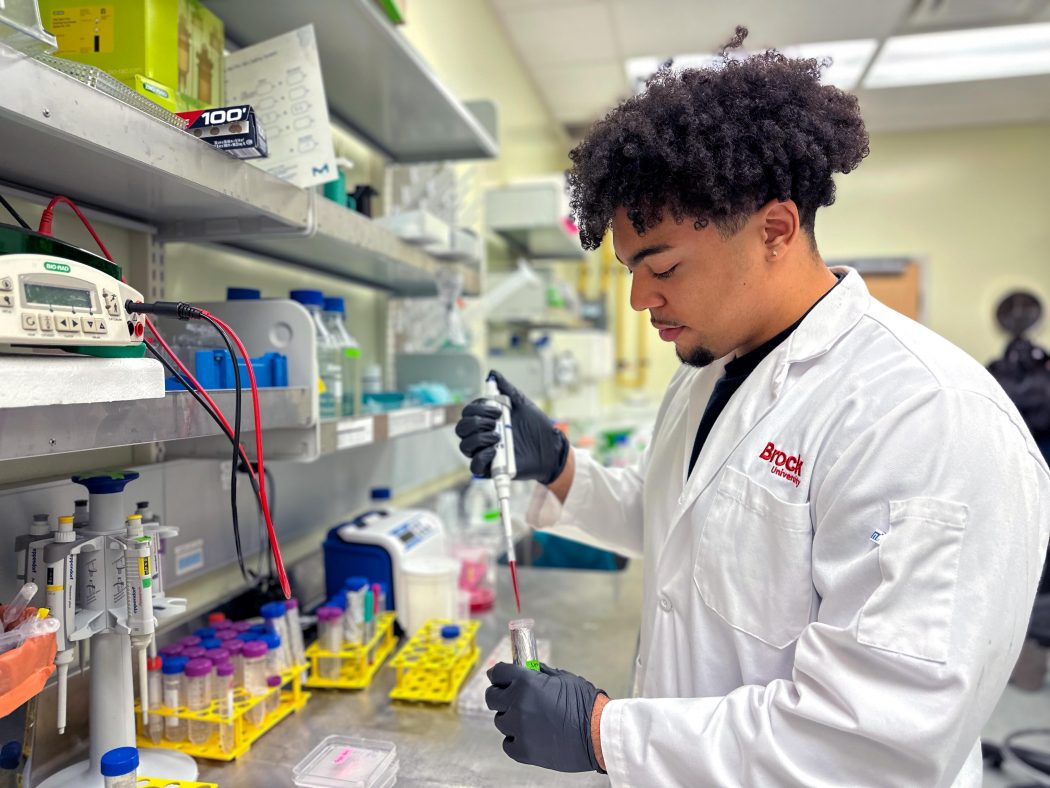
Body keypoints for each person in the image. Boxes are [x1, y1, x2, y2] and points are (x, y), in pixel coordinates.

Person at [455, 27, 1050, 787]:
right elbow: (687, 528)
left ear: (775, 229)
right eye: (630, 269)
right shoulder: (708, 370)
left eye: (661, 265)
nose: (640, 299)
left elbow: (875, 746)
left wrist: (605, 733)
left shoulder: (928, 418)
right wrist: (564, 469)